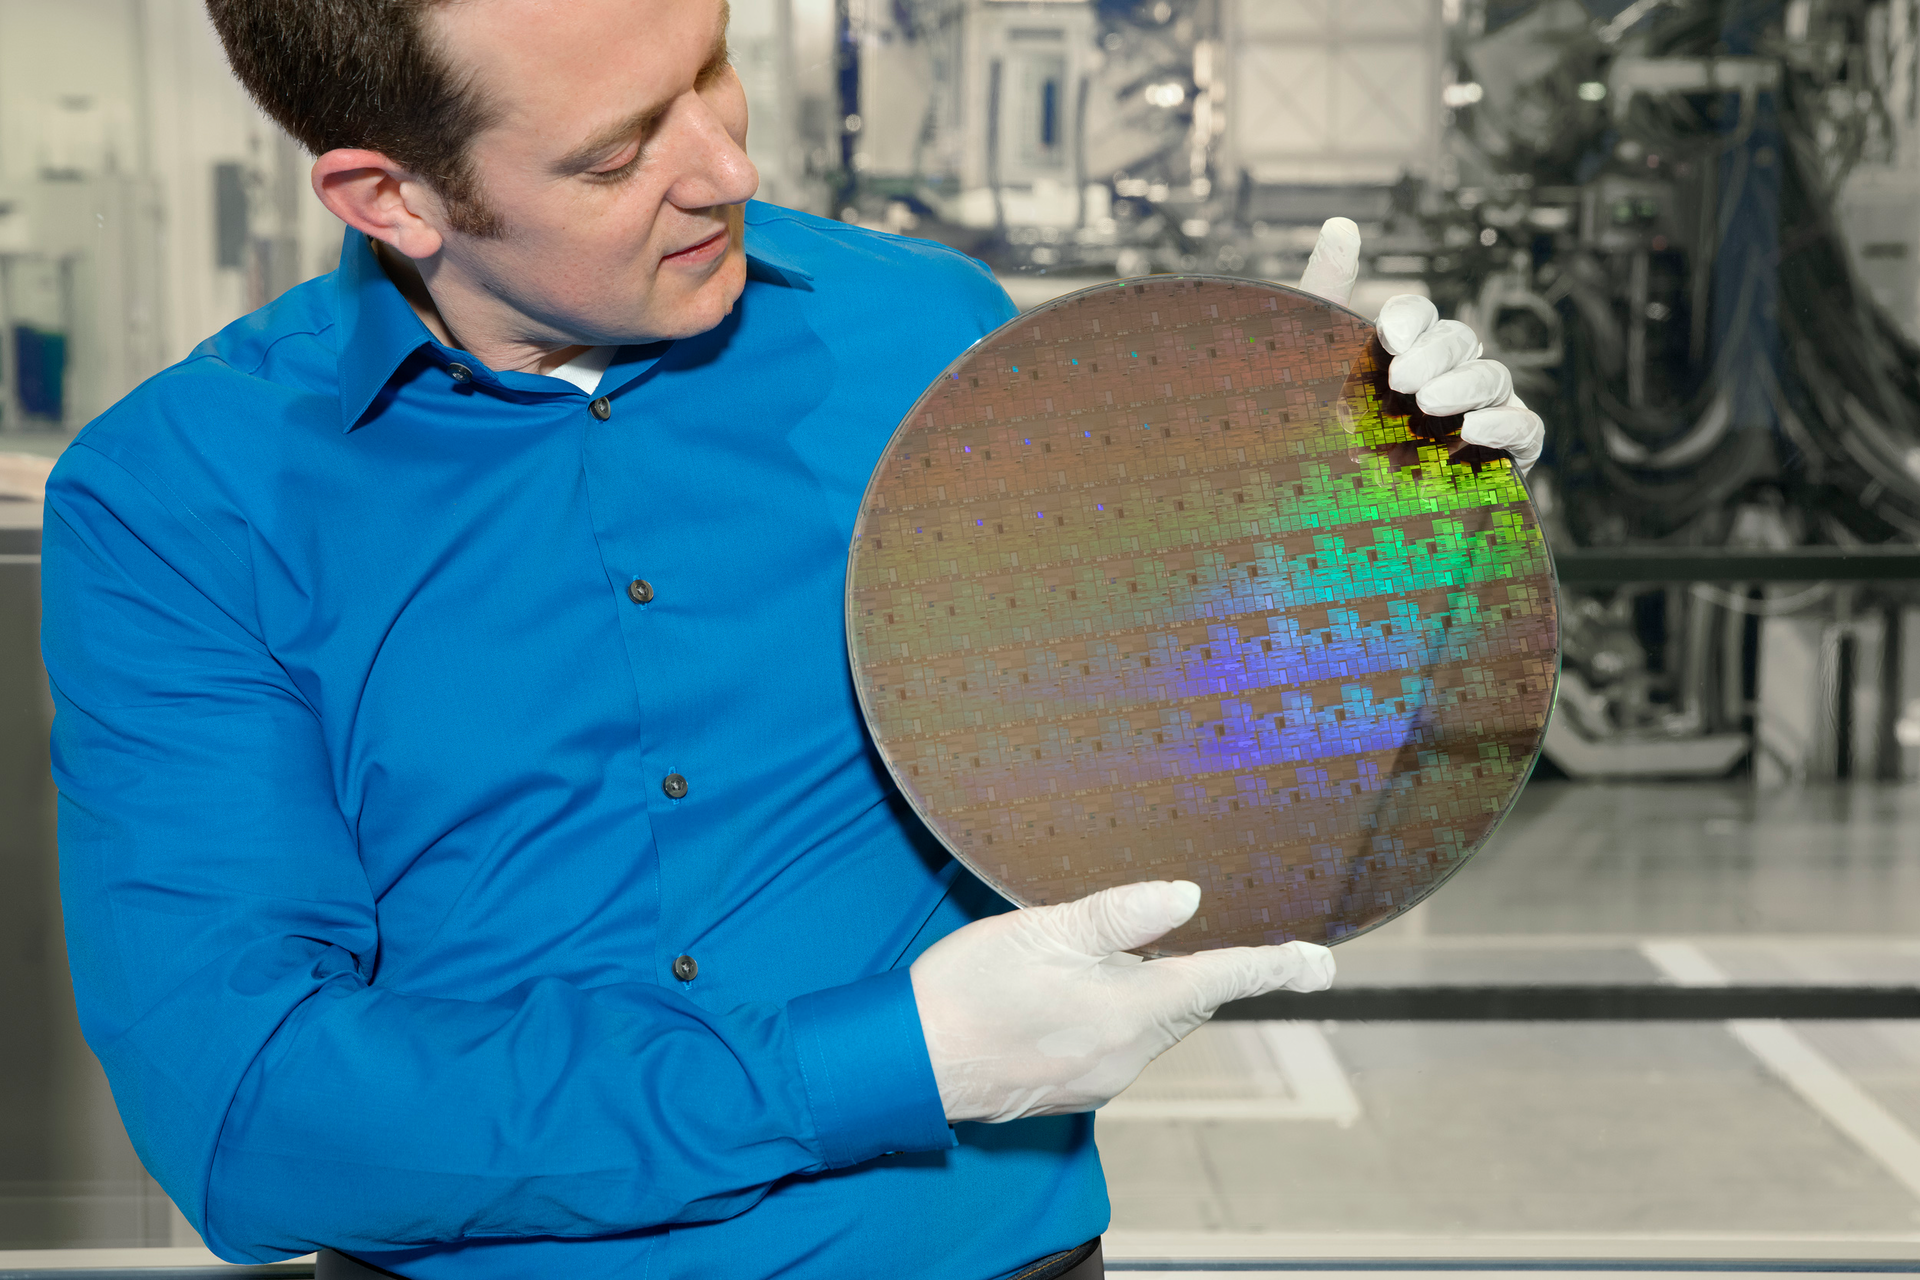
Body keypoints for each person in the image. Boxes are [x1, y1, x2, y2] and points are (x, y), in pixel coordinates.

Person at [39, 1, 1545, 1277]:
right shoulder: (182, 501)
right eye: (620, 151)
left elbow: (1184, 758)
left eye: (709, 64)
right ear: (392, 200)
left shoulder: (926, 340)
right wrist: (901, 1058)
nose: (727, 167)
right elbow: (249, 1120)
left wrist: (1371, 526)